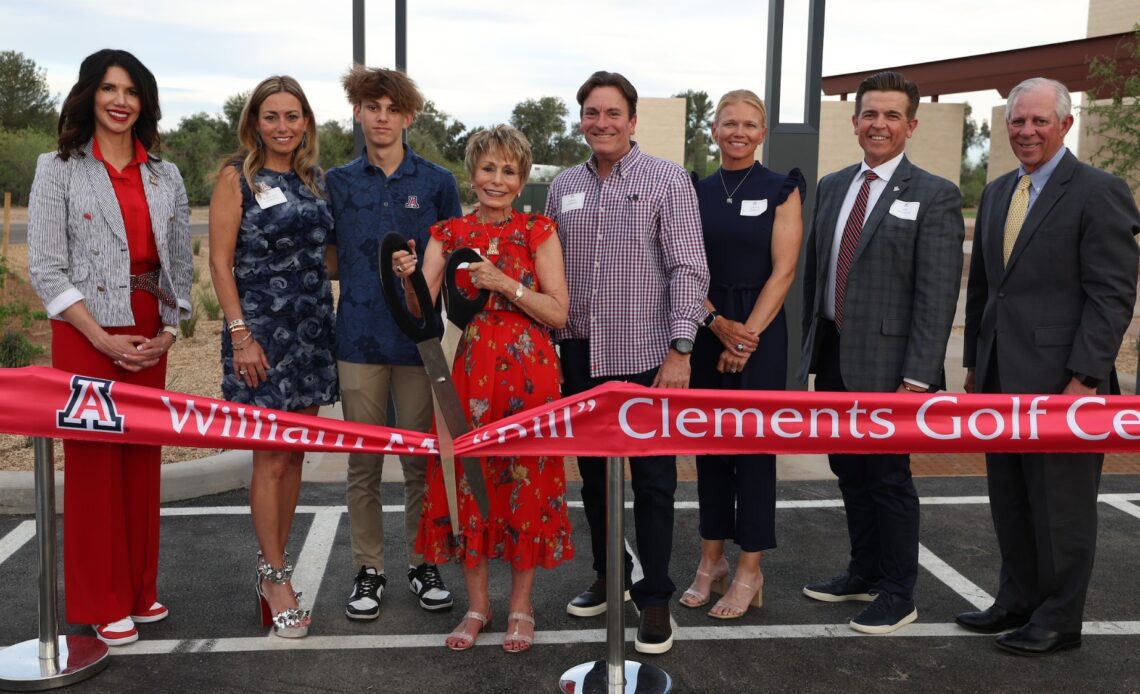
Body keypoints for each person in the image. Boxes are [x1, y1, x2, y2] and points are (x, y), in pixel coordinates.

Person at [957, 77, 1139, 656]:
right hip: (1000, 380)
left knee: (1061, 510)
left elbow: (1111, 295)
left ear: (1065, 125)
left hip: (1066, 385)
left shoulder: (1098, 191)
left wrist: (1083, 379)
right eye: (1016, 122)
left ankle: (1059, 620)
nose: (1027, 131)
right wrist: (972, 366)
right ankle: (1016, 599)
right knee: (1010, 501)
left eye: (1039, 121)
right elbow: (986, 291)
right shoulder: (996, 193)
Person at [27, 48, 193, 646]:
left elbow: (178, 264)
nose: (121, 101)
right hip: (84, 332)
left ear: (144, 101)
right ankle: (101, 599)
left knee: (140, 459)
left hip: (149, 330)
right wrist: (99, 335)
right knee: (95, 465)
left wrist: (171, 329)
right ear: (89, 96)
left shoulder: (165, 174)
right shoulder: (58, 167)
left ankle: (139, 589)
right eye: (109, 89)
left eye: (132, 91)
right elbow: (45, 268)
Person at [392, 125, 574, 653]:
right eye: (488, 168)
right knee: (464, 484)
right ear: (472, 173)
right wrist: (406, 277)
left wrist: (506, 285)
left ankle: (521, 607)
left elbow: (558, 311)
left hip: (527, 373)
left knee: (525, 486)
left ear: (522, 180)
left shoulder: (539, 229)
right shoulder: (446, 233)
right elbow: (419, 313)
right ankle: (477, 605)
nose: (497, 180)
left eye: (509, 171)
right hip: (463, 369)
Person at [547, 70, 709, 655]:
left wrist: (680, 347)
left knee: (655, 482)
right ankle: (610, 572)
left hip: (647, 358)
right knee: (593, 479)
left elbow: (687, 268)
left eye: (613, 113)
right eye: (592, 112)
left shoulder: (667, 180)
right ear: (582, 119)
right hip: (579, 353)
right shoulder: (563, 185)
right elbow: (548, 271)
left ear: (633, 121)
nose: (602, 122)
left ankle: (657, 596)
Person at [798, 71, 963, 634]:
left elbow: (937, 294)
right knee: (849, 470)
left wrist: (917, 379)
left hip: (894, 373)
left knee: (889, 478)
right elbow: (817, 274)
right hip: (837, 357)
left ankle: (899, 592)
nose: (880, 124)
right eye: (870, 114)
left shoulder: (935, 194)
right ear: (854, 121)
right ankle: (864, 571)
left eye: (892, 115)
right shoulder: (833, 185)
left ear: (911, 125)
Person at [326, 66, 463, 621]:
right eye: (371, 107)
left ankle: (422, 562)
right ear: (357, 113)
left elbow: (455, 257)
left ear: (408, 116)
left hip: (417, 342)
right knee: (363, 463)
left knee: (418, 462)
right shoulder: (336, 180)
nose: (381, 118)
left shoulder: (436, 181)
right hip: (356, 338)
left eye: (391, 109)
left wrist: (419, 269)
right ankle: (369, 569)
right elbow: (329, 255)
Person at [208, 76, 337, 638]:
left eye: (292, 116)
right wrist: (241, 336)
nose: (282, 126)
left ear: (306, 121)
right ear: (254, 122)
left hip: (311, 333)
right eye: (271, 116)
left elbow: (327, 257)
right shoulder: (236, 177)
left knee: (295, 456)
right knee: (270, 458)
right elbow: (218, 261)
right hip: (259, 336)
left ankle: (272, 569)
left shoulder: (315, 180)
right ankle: (276, 574)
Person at [682, 90, 803, 619]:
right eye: (728, 122)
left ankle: (751, 567)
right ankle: (712, 561)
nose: (738, 131)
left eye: (749, 124)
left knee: (753, 452)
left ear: (762, 132)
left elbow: (784, 272)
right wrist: (717, 325)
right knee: (709, 449)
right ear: (713, 129)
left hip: (761, 328)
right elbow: (683, 264)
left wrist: (746, 337)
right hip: (708, 323)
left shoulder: (782, 187)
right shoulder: (694, 188)